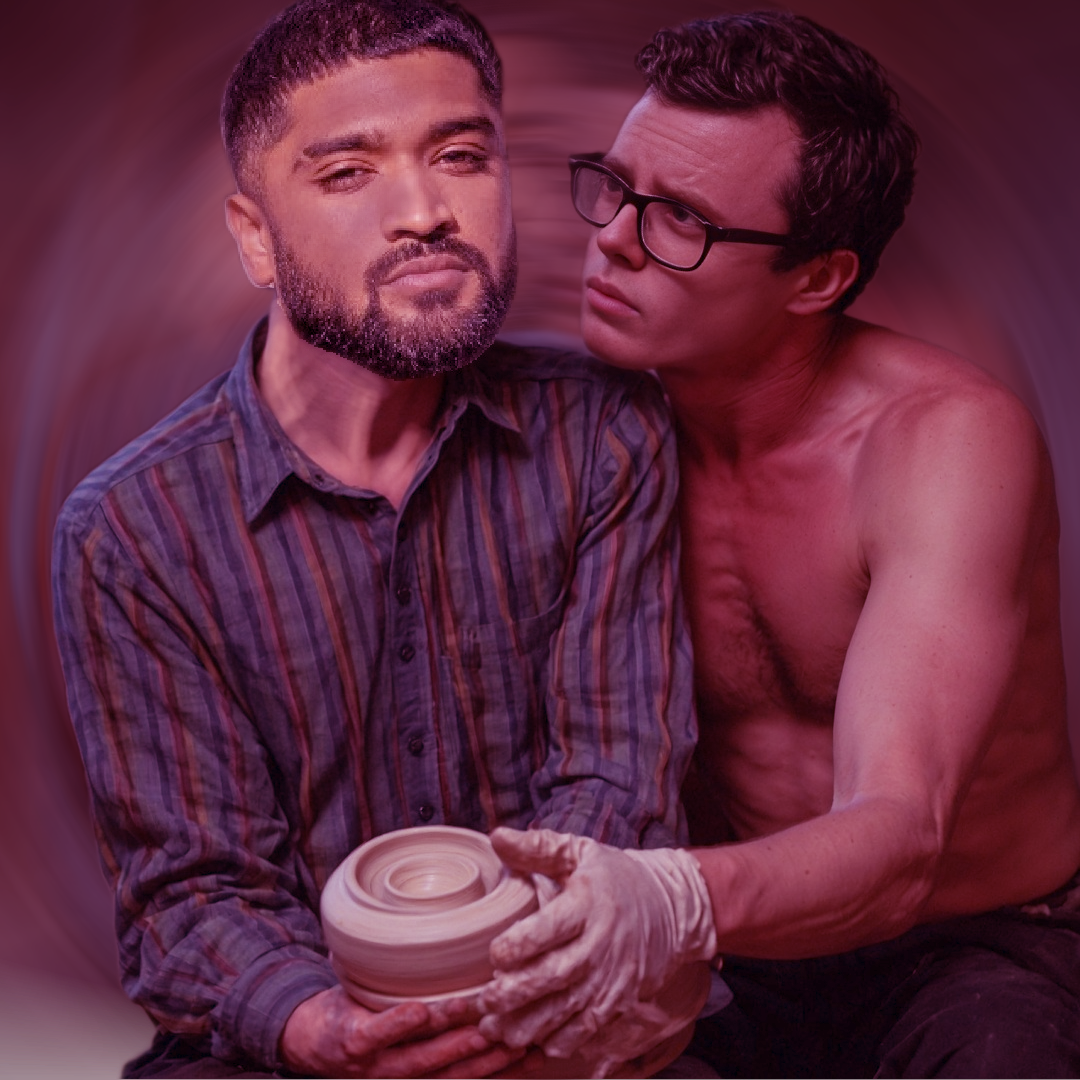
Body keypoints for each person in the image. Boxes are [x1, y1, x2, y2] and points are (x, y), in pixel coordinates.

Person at [50, 2, 697, 1077]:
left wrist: (511, 995)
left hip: (567, 1002)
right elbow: (193, 893)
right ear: (255, 236)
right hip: (294, 1042)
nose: (427, 212)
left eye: (460, 156)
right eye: (349, 173)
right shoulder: (131, 530)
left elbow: (617, 782)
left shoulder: (605, 432)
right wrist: (325, 1029)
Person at [479, 11, 1080, 1078]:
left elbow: (901, 835)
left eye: (682, 219)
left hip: (969, 947)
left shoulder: (942, 442)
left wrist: (670, 894)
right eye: (615, 187)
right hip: (735, 956)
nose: (613, 238)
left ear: (817, 280)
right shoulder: (592, 438)